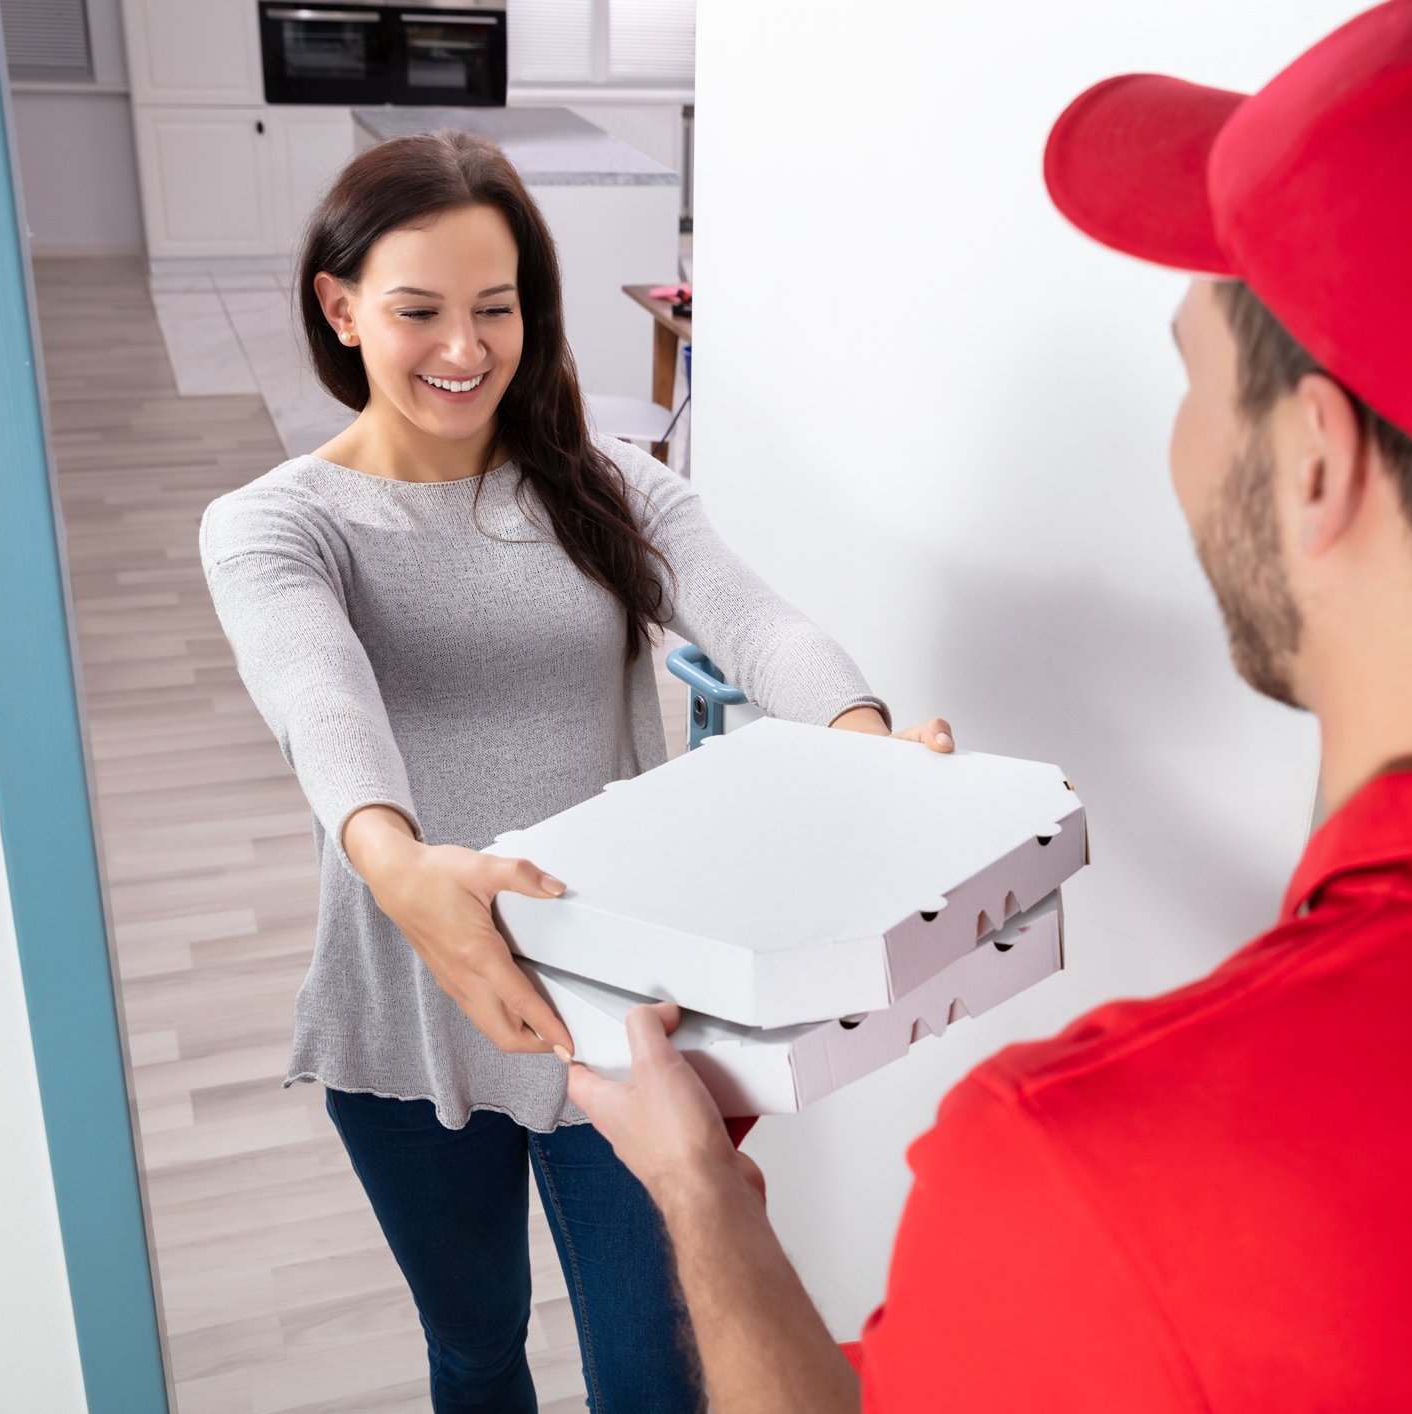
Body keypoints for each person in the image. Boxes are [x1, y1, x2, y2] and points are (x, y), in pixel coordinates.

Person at [561, 1, 1412, 1409]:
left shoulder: (1095, 1177)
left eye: (1194, 377)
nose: (1178, 448)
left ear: (1314, 460)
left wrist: (702, 1194)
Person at [197, 129, 954, 1414]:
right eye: (417, 310)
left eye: (496, 308)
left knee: (659, 1379)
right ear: (340, 308)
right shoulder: (277, 524)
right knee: (478, 1347)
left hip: (624, 1006)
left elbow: (754, 619)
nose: (464, 349)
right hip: (412, 1010)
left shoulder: (610, 487)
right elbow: (320, 703)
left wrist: (864, 736)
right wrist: (398, 859)